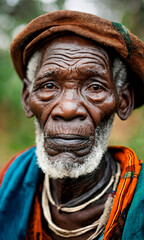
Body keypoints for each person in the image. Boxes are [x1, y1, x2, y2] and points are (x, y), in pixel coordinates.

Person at [0, 10, 144, 240]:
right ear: (27, 99)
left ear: (123, 101)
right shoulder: (8, 183)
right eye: (48, 86)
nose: (67, 109)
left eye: (95, 88)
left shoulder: (139, 200)